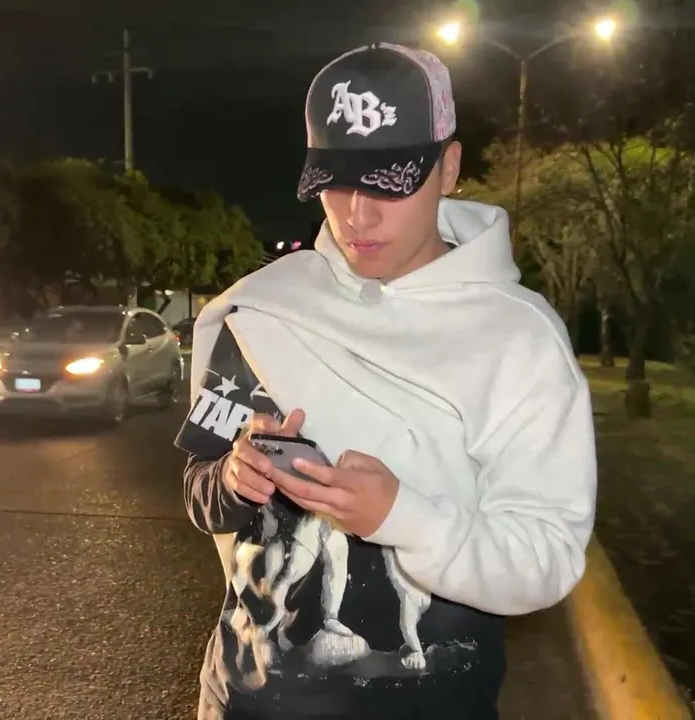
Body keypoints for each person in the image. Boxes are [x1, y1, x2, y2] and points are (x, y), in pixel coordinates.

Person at [176, 43, 597, 720]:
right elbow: (199, 493)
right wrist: (234, 476)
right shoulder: (259, 313)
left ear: (448, 168)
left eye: (388, 181)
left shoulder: (517, 340)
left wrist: (401, 517)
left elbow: (544, 560)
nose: (356, 215)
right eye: (335, 182)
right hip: (240, 700)